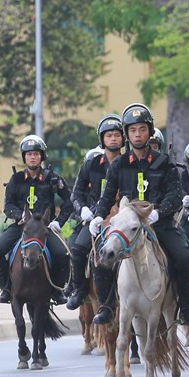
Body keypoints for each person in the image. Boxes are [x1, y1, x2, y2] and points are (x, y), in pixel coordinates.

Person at [89, 104, 189, 326]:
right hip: (127, 226)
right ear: (126, 134)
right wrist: (98, 217)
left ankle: (186, 308)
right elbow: (107, 195)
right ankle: (107, 305)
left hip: (160, 224)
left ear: (149, 131)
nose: (137, 134)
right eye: (132, 130)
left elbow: (175, 197)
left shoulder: (165, 162)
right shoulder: (118, 164)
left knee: (185, 259)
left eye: (142, 129)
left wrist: (158, 213)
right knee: (100, 255)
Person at [0, 135, 72, 305]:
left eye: (36, 154)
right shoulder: (16, 179)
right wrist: (20, 215)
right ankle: (6, 289)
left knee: (62, 254)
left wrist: (58, 222)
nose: (32, 157)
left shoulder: (53, 178)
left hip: (44, 228)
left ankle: (57, 290)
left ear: (42, 156)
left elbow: (70, 201)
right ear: (24, 157)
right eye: (28, 154)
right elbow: (8, 206)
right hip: (22, 227)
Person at [65, 114, 124, 311]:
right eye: (109, 135)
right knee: (79, 248)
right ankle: (79, 290)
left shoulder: (130, 163)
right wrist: (82, 210)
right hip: (96, 218)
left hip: (123, 216)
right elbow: (77, 193)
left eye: (117, 135)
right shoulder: (91, 164)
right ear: (102, 140)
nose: (113, 138)